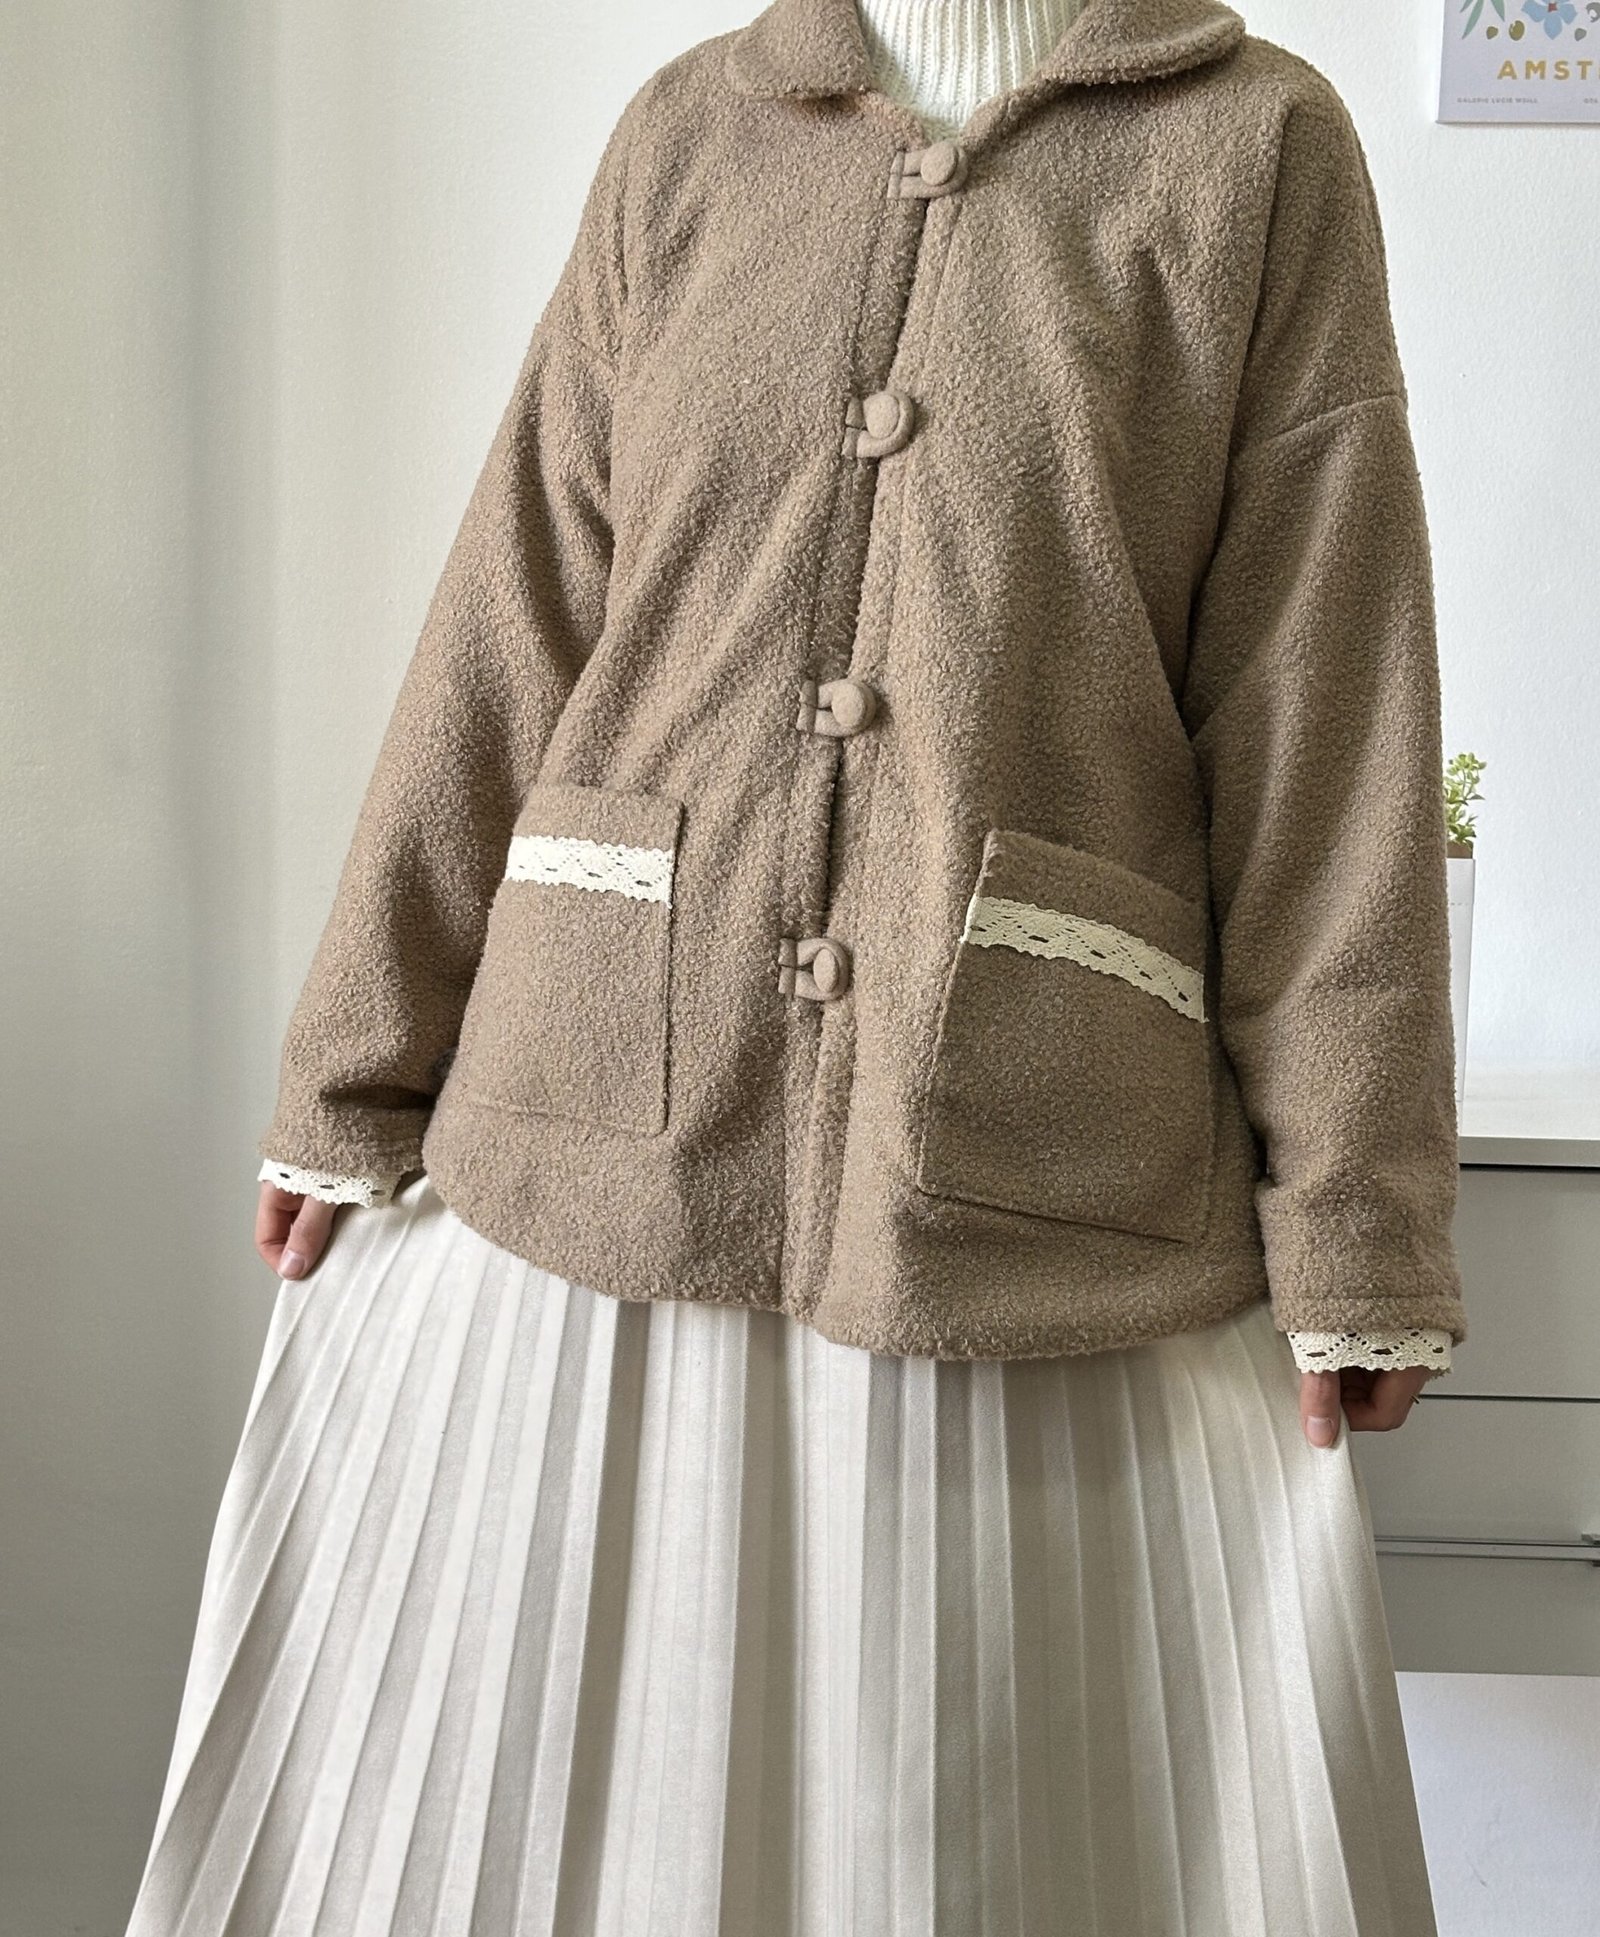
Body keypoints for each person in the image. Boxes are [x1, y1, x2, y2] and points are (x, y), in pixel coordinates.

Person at [125, 2, 1465, 1931]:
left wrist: (1359, 1223)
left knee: (963, 1833)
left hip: (1011, 1179)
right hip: (599, 1131)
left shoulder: (1256, 146)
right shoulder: (691, 130)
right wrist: (355, 1066)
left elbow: (1321, 691)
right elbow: (519, 608)